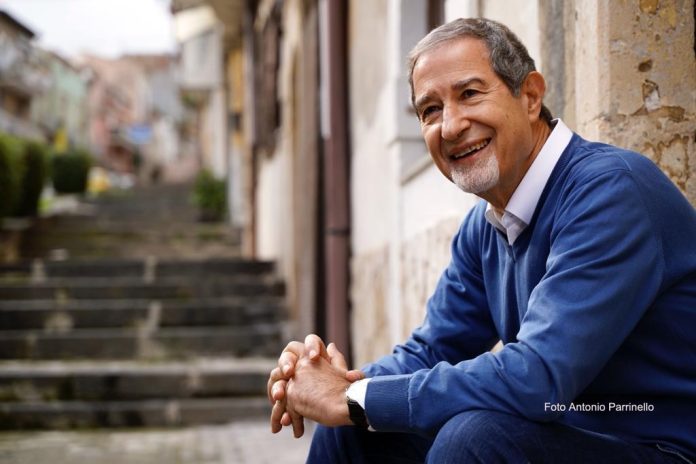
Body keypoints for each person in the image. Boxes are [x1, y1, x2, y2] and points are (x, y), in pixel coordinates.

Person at [267, 17, 696, 464]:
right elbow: (431, 350)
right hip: (564, 436)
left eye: (470, 94)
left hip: (662, 447)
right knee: (351, 433)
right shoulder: (485, 226)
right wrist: (333, 384)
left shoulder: (610, 192)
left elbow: (537, 376)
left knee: (471, 439)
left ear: (530, 96)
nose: (450, 126)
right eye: (430, 110)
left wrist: (354, 398)